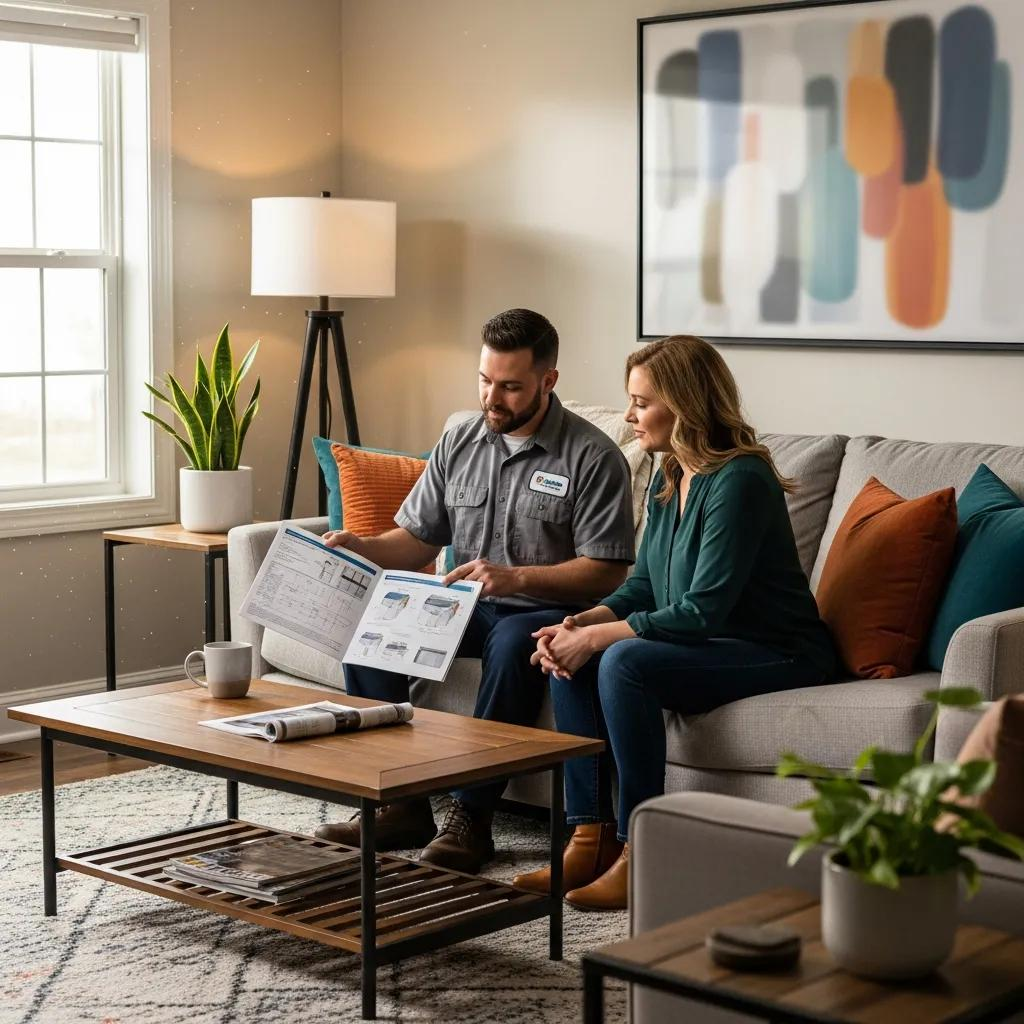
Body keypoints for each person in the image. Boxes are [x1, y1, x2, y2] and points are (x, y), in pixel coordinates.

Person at [514, 335, 837, 910]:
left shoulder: (740, 480)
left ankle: (644, 850)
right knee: (576, 654)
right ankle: (589, 839)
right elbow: (643, 586)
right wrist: (579, 624)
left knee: (622, 660)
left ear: (685, 404)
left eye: (641, 403)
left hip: (779, 649)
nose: (629, 416)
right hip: (711, 643)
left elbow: (701, 610)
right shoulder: (670, 476)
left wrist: (598, 638)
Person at [315, 308, 636, 874]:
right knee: (372, 628)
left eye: (510, 387)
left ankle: (471, 818)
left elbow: (607, 571)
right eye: (485, 380)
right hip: (462, 605)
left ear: (548, 380)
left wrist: (516, 578)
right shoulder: (460, 439)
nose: (493, 398)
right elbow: (417, 540)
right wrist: (360, 546)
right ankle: (399, 804)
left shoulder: (592, 456)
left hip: (546, 610)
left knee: (512, 644)